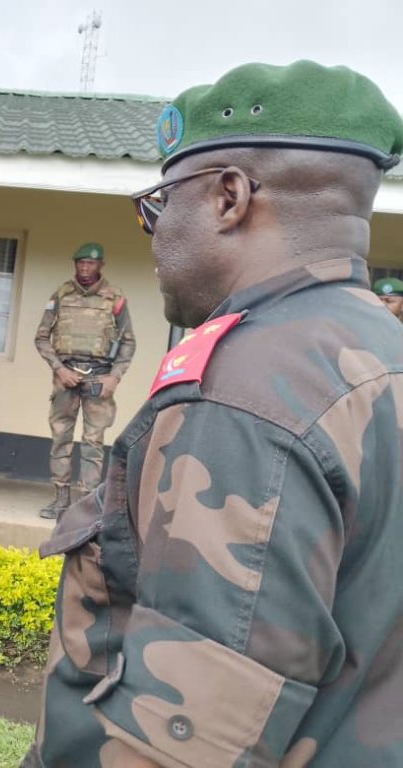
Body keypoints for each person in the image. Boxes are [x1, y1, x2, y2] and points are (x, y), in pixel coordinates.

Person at [24, 61, 403, 768]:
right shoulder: (383, 349)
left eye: (160, 204)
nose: (155, 231)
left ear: (229, 197)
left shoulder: (242, 395)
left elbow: (181, 745)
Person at [33, 242, 135, 519]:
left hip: (99, 379)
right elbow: (41, 337)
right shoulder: (61, 295)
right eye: (80, 263)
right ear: (75, 264)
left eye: (91, 263)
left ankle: (86, 504)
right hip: (66, 377)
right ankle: (60, 500)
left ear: (101, 265)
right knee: (61, 438)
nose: (85, 268)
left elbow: (128, 343)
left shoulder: (114, 298)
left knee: (93, 442)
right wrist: (58, 368)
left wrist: (115, 377)